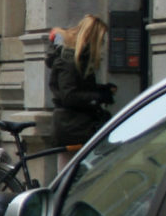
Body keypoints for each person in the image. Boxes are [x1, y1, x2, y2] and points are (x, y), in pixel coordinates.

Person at [47, 13, 115, 148]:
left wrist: (102, 90)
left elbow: (79, 88)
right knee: (74, 168)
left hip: (75, 124)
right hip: (73, 127)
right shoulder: (69, 60)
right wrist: (99, 96)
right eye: (100, 40)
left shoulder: (79, 59)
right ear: (91, 38)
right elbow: (69, 96)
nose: (101, 45)